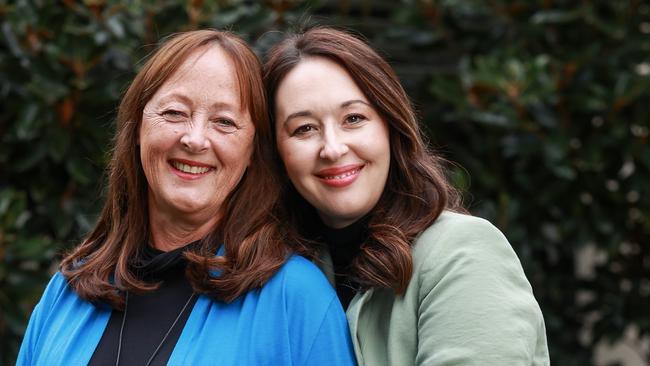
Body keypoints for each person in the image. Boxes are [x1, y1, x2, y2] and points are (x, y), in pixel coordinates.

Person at [17, 29, 356, 366]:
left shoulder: (295, 299)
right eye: (174, 113)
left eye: (224, 122)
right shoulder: (68, 289)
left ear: (253, 149)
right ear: (137, 128)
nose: (195, 140)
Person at [264, 27, 550, 365]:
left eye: (353, 119)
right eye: (304, 128)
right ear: (277, 152)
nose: (333, 148)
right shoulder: (288, 272)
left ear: (390, 126)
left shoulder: (462, 252)